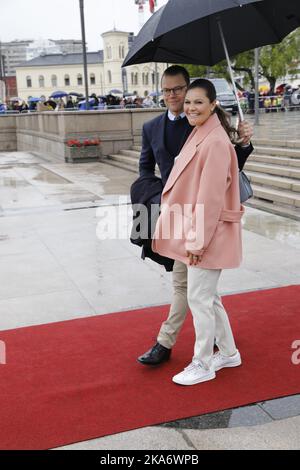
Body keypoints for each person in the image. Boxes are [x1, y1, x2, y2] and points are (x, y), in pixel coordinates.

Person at [137, 65, 253, 366]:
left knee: (189, 288)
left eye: (178, 89)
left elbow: (226, 170)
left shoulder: (203, 123)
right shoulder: (152, 127)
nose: (174, 96)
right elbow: (145, 171)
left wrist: (243, 143)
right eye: (167, 90)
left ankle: (167, 342)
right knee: (197, 289)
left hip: (201, 219)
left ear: (191, 91)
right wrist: (153, 205)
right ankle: (224, 345)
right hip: (171, 215)